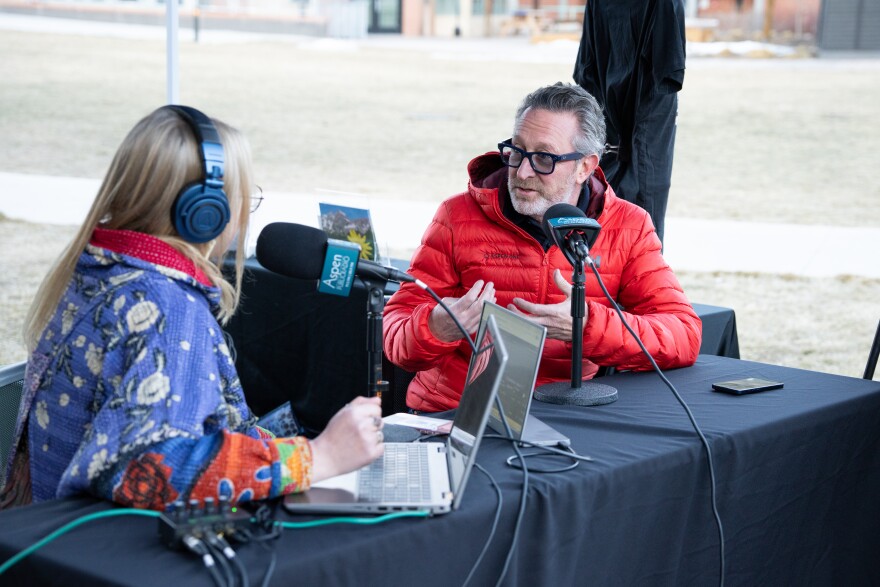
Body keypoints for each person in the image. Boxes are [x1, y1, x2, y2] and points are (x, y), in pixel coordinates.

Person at [0, 106, 383, 511]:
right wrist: (318, 457)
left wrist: (298, 449)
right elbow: (152, 466)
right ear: (204, 213)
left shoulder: (94, 270)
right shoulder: (167, 308)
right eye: (243, 197)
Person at [383, 82, 701, 413]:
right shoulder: (456, 216)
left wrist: (586, 325)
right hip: (456, 412)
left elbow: (684, 335)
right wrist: (434, 327)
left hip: (571, 416)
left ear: (585, 167)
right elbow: (394, 334)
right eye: (517, 151)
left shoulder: (628, 225)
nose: (521, 171)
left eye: (544, 158)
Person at [573, 0, 686, 244]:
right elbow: (587, 71)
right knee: (604, 198)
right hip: (610, 108)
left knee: (641, 198)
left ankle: (637, 269)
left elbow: (665, 73)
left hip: (646, 107)